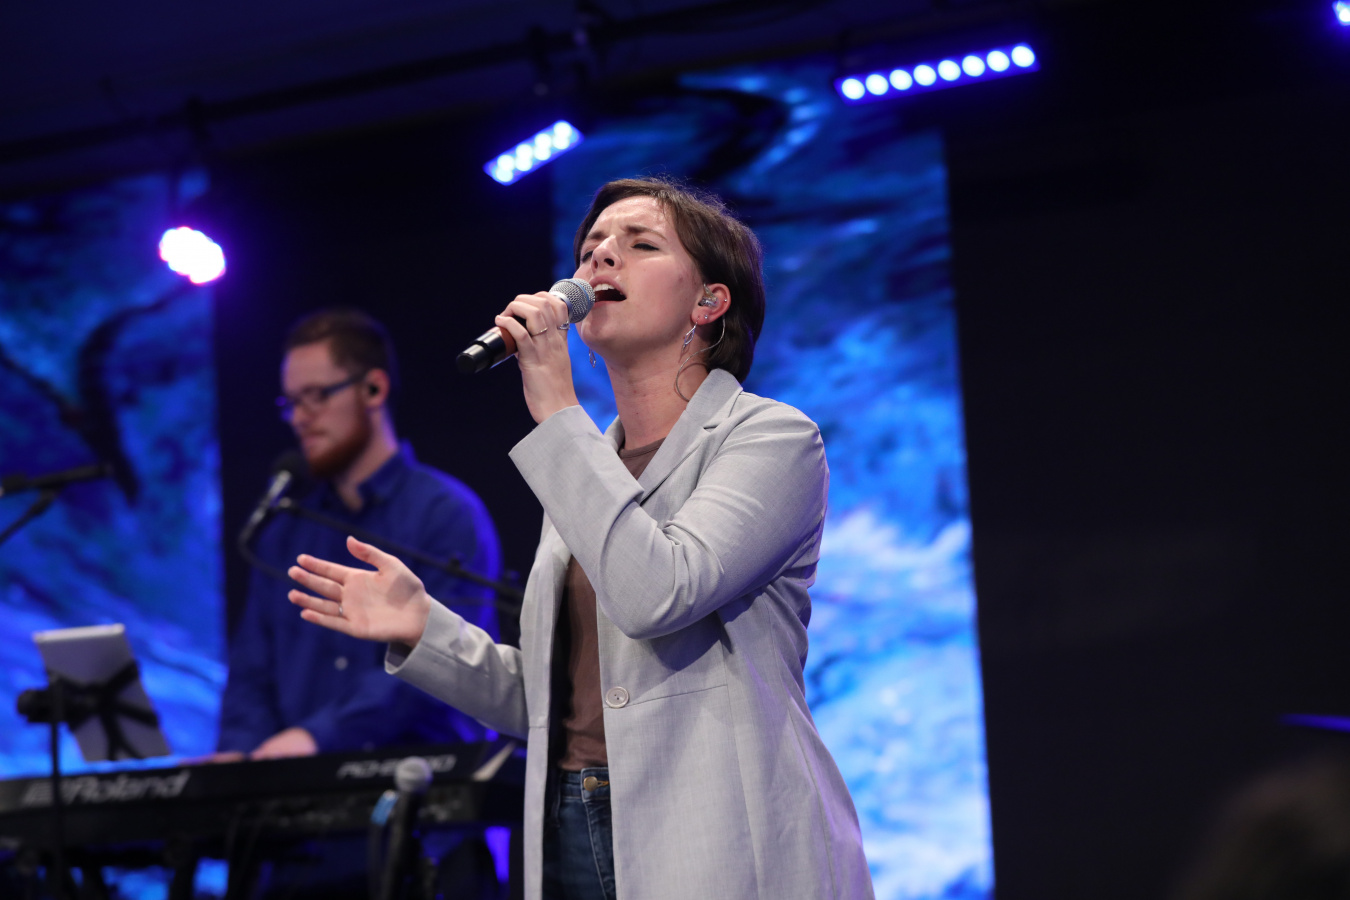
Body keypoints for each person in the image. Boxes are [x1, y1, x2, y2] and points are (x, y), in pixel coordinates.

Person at [286, 178, 875, 900]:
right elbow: (554, 707)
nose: (600, 258)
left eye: (640, 245)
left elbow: (659, 593)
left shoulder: (770, 437)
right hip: (567, 822)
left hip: (718, 830)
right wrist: (425, 630)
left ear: (708, 303)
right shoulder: (591, 460)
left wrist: (556, 406)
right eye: (592, 246)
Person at [217, 308, 501, 759]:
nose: (299, 418)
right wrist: (238, 755)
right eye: (291, 402)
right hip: (296, 789)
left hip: (422, 781)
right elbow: (252, 672)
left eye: (315, 396)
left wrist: (318, 737)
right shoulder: (285, 530)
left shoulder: (444, 513)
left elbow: (443, 660)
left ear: (373, 389)